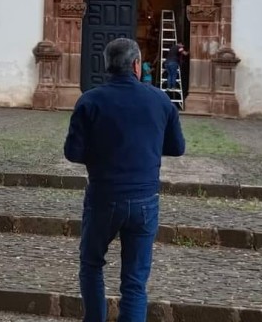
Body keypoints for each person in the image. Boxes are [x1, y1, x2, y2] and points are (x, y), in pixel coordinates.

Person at [65, 37, 185, 322]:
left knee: (92, 264)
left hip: (104, 196)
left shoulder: (90, 100)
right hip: (145, 200)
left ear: (107, 66)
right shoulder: (160, 100)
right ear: (135, 64)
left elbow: (73, 152)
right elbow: (177, 147)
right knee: (134, 280)